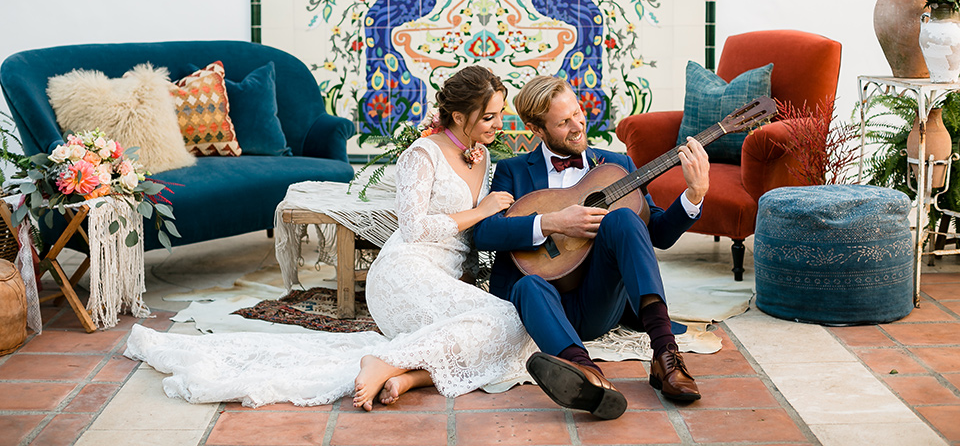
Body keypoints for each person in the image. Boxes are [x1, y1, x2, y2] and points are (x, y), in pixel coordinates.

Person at [125, 66, 537, 410]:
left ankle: (404, 375)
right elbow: (413, 227)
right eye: (490, 117)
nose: (499, 125)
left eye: (499, 115)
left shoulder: (481, 157)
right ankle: (390, 360)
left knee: (514, 329)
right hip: (405, 273)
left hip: (446, 277)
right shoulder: (421, 154)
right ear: (460, 116)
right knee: (504, 321)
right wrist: (480, 211)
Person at [473, 75, 709, 420]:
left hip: (598, 303)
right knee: (527, 285)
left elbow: (657, 233)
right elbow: (485, 232)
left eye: (578, 113)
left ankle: (665, 357)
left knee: (625, 220)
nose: (578, 125)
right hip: (540, 303)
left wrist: (694, 195)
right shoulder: (512, 171)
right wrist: (553, 222)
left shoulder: (616, 165)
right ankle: (588, 377)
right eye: (563, 122)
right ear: (536, 129)